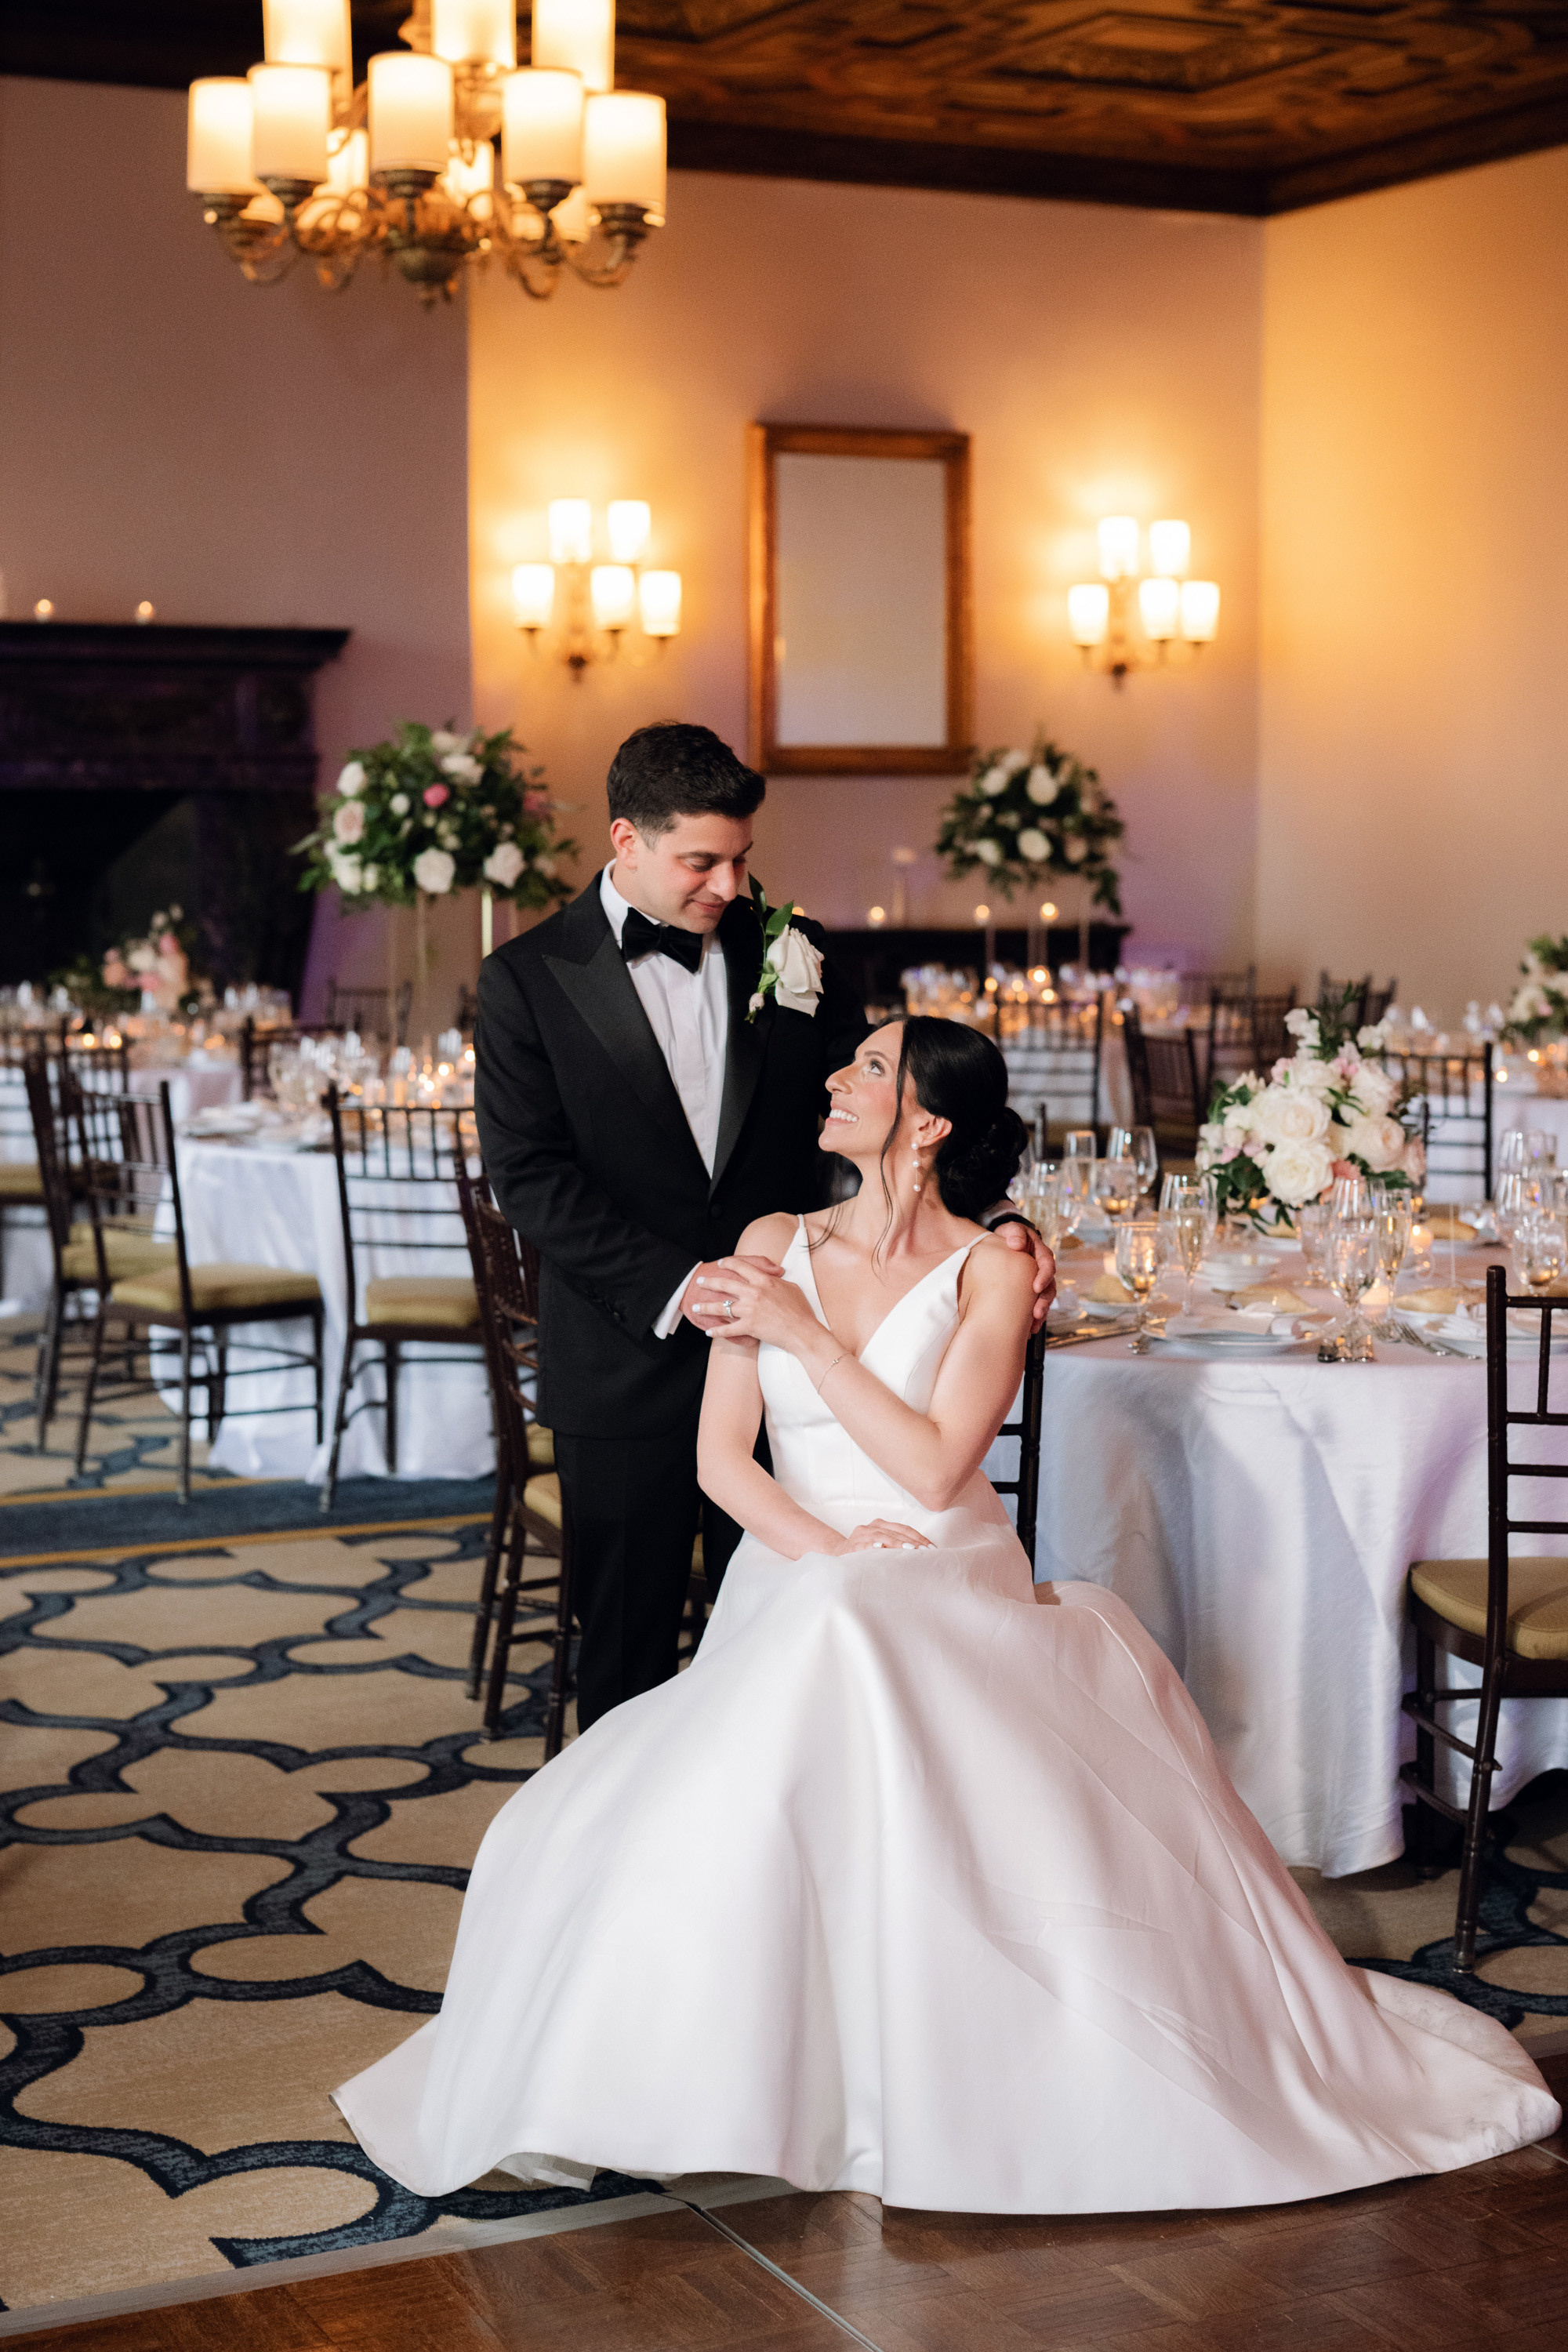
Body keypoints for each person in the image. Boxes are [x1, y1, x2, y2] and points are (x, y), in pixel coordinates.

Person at [336, 1018, 1559, 2212]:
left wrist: (808, 1342)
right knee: (802, 1656)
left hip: (946, 1561)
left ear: (925, 1122)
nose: (836, 1076)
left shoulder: (994, 1265)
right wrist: (822, 1551)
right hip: (802, 1563)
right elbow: (723, 1461)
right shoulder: (771, 1237)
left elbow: (931, 1472)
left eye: (869, 1067)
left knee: (857, 1635)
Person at [474, 721, 1051, 1730]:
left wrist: (996, 1220)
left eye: (741, 858)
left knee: (789, 1654)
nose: (730, 886)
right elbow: (527, 1177)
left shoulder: (789, 950)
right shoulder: (527, 978)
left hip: (806, 1366)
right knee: (626, 1653)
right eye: (702, 861)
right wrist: (680, 1285)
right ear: (626, 841)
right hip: (626, 1355)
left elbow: (893, 1114)